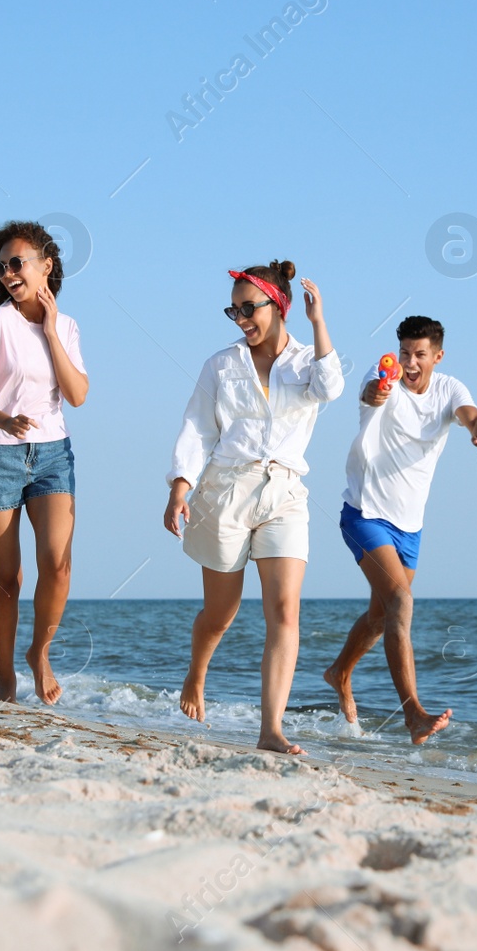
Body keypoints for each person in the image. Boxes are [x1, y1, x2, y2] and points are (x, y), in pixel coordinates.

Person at [164, 261, 342, 755]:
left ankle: (271, 730)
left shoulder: (308, 361)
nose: (241, 318)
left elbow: (331, 388)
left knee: (284, 612)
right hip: (225, 491)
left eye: (250, 307)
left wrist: (318, 322)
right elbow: (198, 427)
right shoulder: (220, 365)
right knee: (221, 613)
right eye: (234, 309)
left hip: (285, 492)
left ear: (278, 305)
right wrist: (180, 486)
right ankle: (197, 672)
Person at [323, 315, 477, 743]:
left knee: (381, 616)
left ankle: (339, 671)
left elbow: (471, 415)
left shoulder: (449, 388)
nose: (411, 361)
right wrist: (380, 388)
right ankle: (413, 715)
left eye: (420, 354)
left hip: (410, 525)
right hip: (364, 513)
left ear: (437, 356)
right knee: (401, 601)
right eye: (405, 353)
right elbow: (372, 392)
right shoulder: (382, 376)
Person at [0, 221, 88, 705]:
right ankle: (6, 676)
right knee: (7, 577)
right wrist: (4, 419)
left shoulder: (67, 327)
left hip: (53, 453)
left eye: (18, 263)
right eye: (3, 266)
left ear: (45, 266)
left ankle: (41, 652)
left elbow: (77, 395)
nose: (9, 273)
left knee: (58, 565)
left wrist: (51, 331)